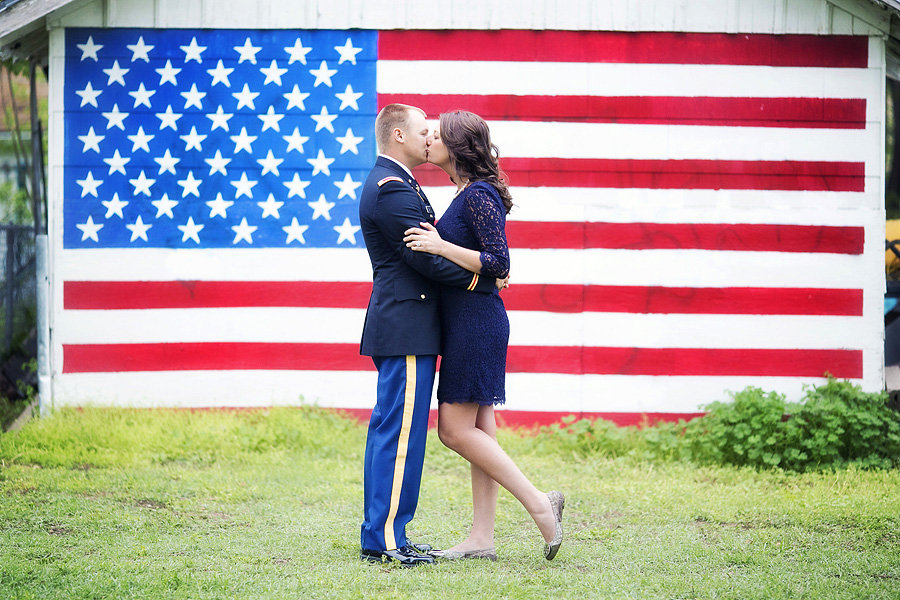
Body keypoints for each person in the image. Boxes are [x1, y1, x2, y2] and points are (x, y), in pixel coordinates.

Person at [403, 110, 565, 561]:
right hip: (469, 321)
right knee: (479, 432)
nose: (428, 141)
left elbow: (499, 263)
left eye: (436, 136)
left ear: (457, 147)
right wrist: (446, 243)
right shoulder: (465, 195)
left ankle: (540, 505)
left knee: (453, 432)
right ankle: (481, 538)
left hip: (477, 323)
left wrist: (439, 245)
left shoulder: (478, 195)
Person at [357, 104, 502, 566]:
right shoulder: (392, 188)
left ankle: (390, 533)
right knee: (398, 434)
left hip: (412, 326)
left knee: (400, 433)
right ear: (398, 135)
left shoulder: (403, 185)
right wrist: (485, 279)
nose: (428, 138)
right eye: (423, 131)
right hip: (407, 327)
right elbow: (425, 259)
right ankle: (386, 540)